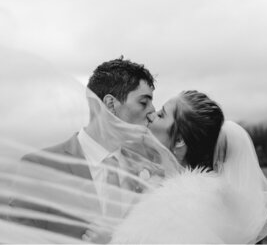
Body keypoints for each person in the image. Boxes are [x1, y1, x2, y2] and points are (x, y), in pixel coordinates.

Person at [8, 57, 159, 241]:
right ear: (111, 104)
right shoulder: (41, 166)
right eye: (144, 102)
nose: (152, 113)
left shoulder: (151, 174)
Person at [111, 90, 267, 244]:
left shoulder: (181, 207)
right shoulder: (184, 192)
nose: (151, 115)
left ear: (179, 140)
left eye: (161, 115)